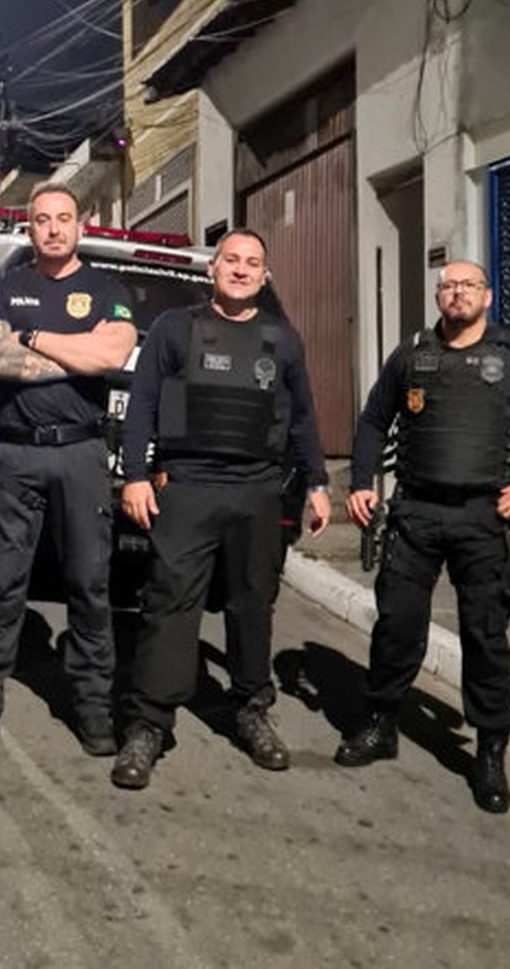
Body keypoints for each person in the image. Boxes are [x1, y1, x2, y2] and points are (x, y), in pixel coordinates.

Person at [335, 260, 510, 813]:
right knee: (397, 625)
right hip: (417, 513)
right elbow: (374, 419)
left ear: (487, 296)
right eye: (448, 286)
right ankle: (380, 724)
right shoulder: (412, 355)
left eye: (467, 285)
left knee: (485, 636)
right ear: (438, 294)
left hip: (486, 520)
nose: (457, 294)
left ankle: (489, 751)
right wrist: (360, 482)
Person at [110, 228, 331, 790]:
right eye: (230, 259)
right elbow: (143, 406)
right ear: (212, 270)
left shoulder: (282, 340)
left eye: (251, 262)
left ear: (263, 274)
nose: (240, 269)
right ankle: (149, 724)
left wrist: (318, 483)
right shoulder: (173, 329)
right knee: (170, 605)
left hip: (257, 490)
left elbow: (302, 417)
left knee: (252, 605)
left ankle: (252, 709)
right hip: (186, 485)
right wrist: (135, 475)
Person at [0, 181, 137, 759]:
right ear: (29, 228)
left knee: (89, 585)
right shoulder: (5, 288)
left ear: (81, 225)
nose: (53, 228)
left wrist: (31, 342)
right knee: (2, 584)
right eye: (42, 219)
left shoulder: (107, 290)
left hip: (80, 454)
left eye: (64, 218)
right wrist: (75, 353)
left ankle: (92, 711)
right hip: (16, 454)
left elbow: (113, 354)